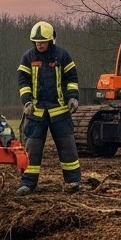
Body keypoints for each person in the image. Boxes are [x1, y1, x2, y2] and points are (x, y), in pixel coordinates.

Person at [15, 21, 82, 195]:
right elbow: (23, 82)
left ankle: (73, 181)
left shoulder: (62, 56)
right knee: (33, 150)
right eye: (37, 42)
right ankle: (28, 184)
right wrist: (27, 101)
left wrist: (73, 98)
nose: (40, 45)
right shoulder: (28, 58)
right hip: (36, 113)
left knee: (67, 148)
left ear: (51, 40)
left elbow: (71, 79)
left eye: (43, 42)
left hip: (60, 111)